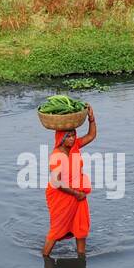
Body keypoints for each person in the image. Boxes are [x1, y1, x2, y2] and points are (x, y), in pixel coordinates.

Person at [41, 105, 96, 258]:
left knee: (80, 226)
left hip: (77, 194)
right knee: (57, 229)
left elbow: (91, 136)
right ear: (61, 139)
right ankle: (45, 256)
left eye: (73, 135)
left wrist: (91, 119)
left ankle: (81, 255)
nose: (72, 139)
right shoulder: (56, 156)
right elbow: (57, 182)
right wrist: (76, 193)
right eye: (68, 137)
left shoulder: (75, 146)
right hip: (63, 194)